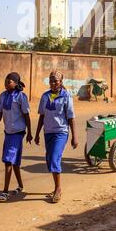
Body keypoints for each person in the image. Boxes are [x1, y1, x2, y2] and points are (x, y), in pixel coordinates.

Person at [0, 72, 32, 202]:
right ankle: (21, 185)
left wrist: (29, 132)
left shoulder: (21, 97)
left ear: (16, 83)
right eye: (5, 81)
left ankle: (5, 192)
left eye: (9, 81)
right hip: (8, 132)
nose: (6, 84)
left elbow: (26, 115)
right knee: (15, 162)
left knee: (8, 160)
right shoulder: (2, 96)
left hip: (18, 133)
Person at [34, 70, 78, 203]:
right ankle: (55, 188)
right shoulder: (45, 96)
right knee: (49, 160)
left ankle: (58, 189)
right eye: (51, 80)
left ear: (61, 82)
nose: (53, 83)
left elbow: (71, 117)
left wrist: (74, 136)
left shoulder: (66, 96)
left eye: (55, 81)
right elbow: (42, 116)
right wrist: (36, 134)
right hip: (48, 132)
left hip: (61, 132)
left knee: (54, 158)